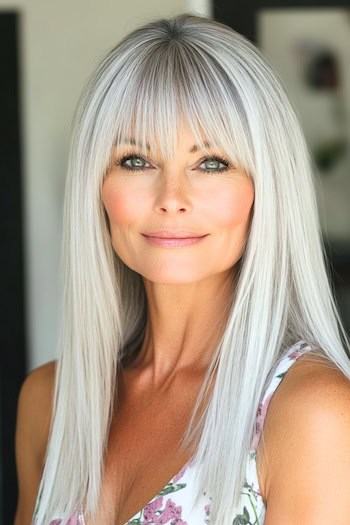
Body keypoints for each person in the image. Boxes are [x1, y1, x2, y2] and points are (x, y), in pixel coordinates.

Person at [14, 12, 350, 525]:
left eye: (211, 162)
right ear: (96, 187)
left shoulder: (312, 415)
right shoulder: (49, 404)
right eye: (136, 160)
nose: (172, 198)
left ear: (265, 189)